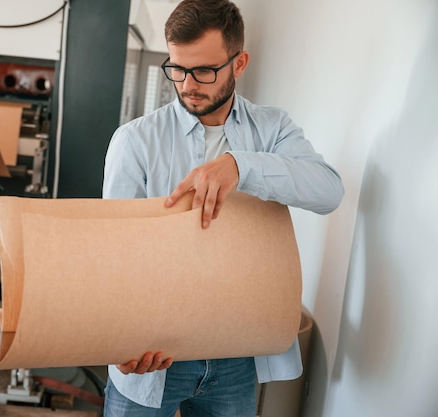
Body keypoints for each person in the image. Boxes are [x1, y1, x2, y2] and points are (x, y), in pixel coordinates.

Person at [101, 0, 344, 416]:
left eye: (204, 71)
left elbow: (328, 191)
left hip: (236, 356)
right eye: (177, 68)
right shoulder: (134, 142)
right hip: (152, 355)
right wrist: (118, 339)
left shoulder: (273, 129)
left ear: (240, 62)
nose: (187, 84)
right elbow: (115, 256)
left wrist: (240, 166)